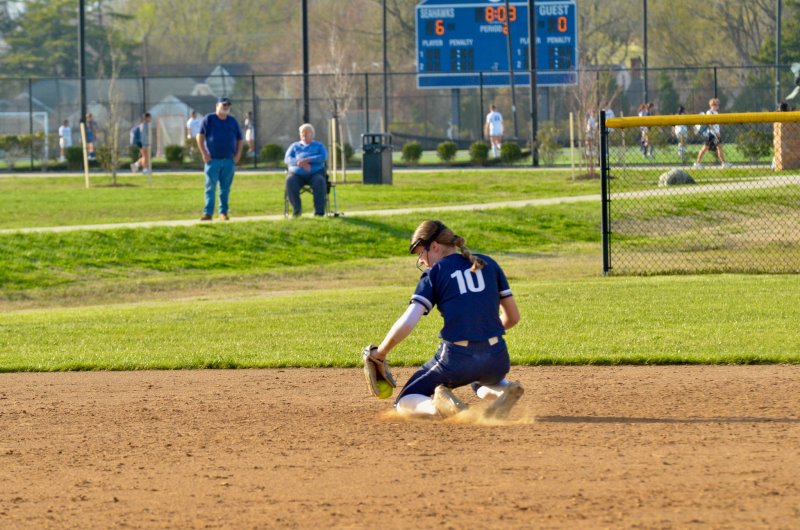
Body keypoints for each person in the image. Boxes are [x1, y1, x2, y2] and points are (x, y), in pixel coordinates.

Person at [367, 219, 524, 420]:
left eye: (421, 253)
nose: (421, 261)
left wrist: (380, 353)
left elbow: (408, 322)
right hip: (497, 357)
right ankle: (504, 390)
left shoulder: (436, 272)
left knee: (405, 400)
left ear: (434, 246)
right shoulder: (488, 263)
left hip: (457, 359)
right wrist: (481, 332)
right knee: (480, 379)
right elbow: (513, 318)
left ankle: (437, 406)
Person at [197, 96, 243, 221]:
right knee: (210, 188)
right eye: (224, 105)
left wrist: (238, 155)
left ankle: (223, 212)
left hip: (228, 160)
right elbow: (200, 136)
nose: (226, 107)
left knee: (225, 189)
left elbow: (239, 139)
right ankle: (208, 213)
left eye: (228, 105)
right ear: (217, 106)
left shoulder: (232, 121)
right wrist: (204, 153)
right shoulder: (209, 119)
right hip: (212, 160)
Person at [284, 123, 328, 217]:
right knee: (290, 181)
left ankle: (319, 212)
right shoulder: (294, 146)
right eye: (302, 133)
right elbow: (287, 159)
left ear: (312, 134)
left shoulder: (319, 146)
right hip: (297, 175)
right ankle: (297, 211)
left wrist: (308, 160)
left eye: (306, 133)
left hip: (315, 174)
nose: (304, 135)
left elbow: (323, 157)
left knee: (320, 181)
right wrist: (299, 162)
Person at [693, 98, 731, 169]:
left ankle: (723, 163)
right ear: (711, 105)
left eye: (717, 105)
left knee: (714, 147)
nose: (717, 106)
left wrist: (718, 132)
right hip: (711, 135)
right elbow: (710, 124)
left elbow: (717, 125)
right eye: (715, 105)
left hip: (715, 135)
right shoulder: (709, 112)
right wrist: (716, 133)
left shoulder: (716, 113)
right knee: (714, 147)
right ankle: (697, 163)